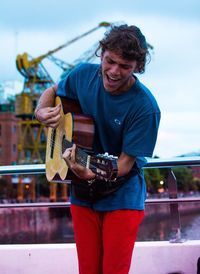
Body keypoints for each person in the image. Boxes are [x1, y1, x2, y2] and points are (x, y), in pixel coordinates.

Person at [35, 24, 161, 274]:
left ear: (138, 67)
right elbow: (52, 90)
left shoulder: (145, 107)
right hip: (82, 192)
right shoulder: (82, 74)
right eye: (110, 61)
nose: (114, 72)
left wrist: (92, 173)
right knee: (88, 270)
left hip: (122, 194)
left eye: (124, 66)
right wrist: (40, 110)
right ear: (101, 54)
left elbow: (124, 164)